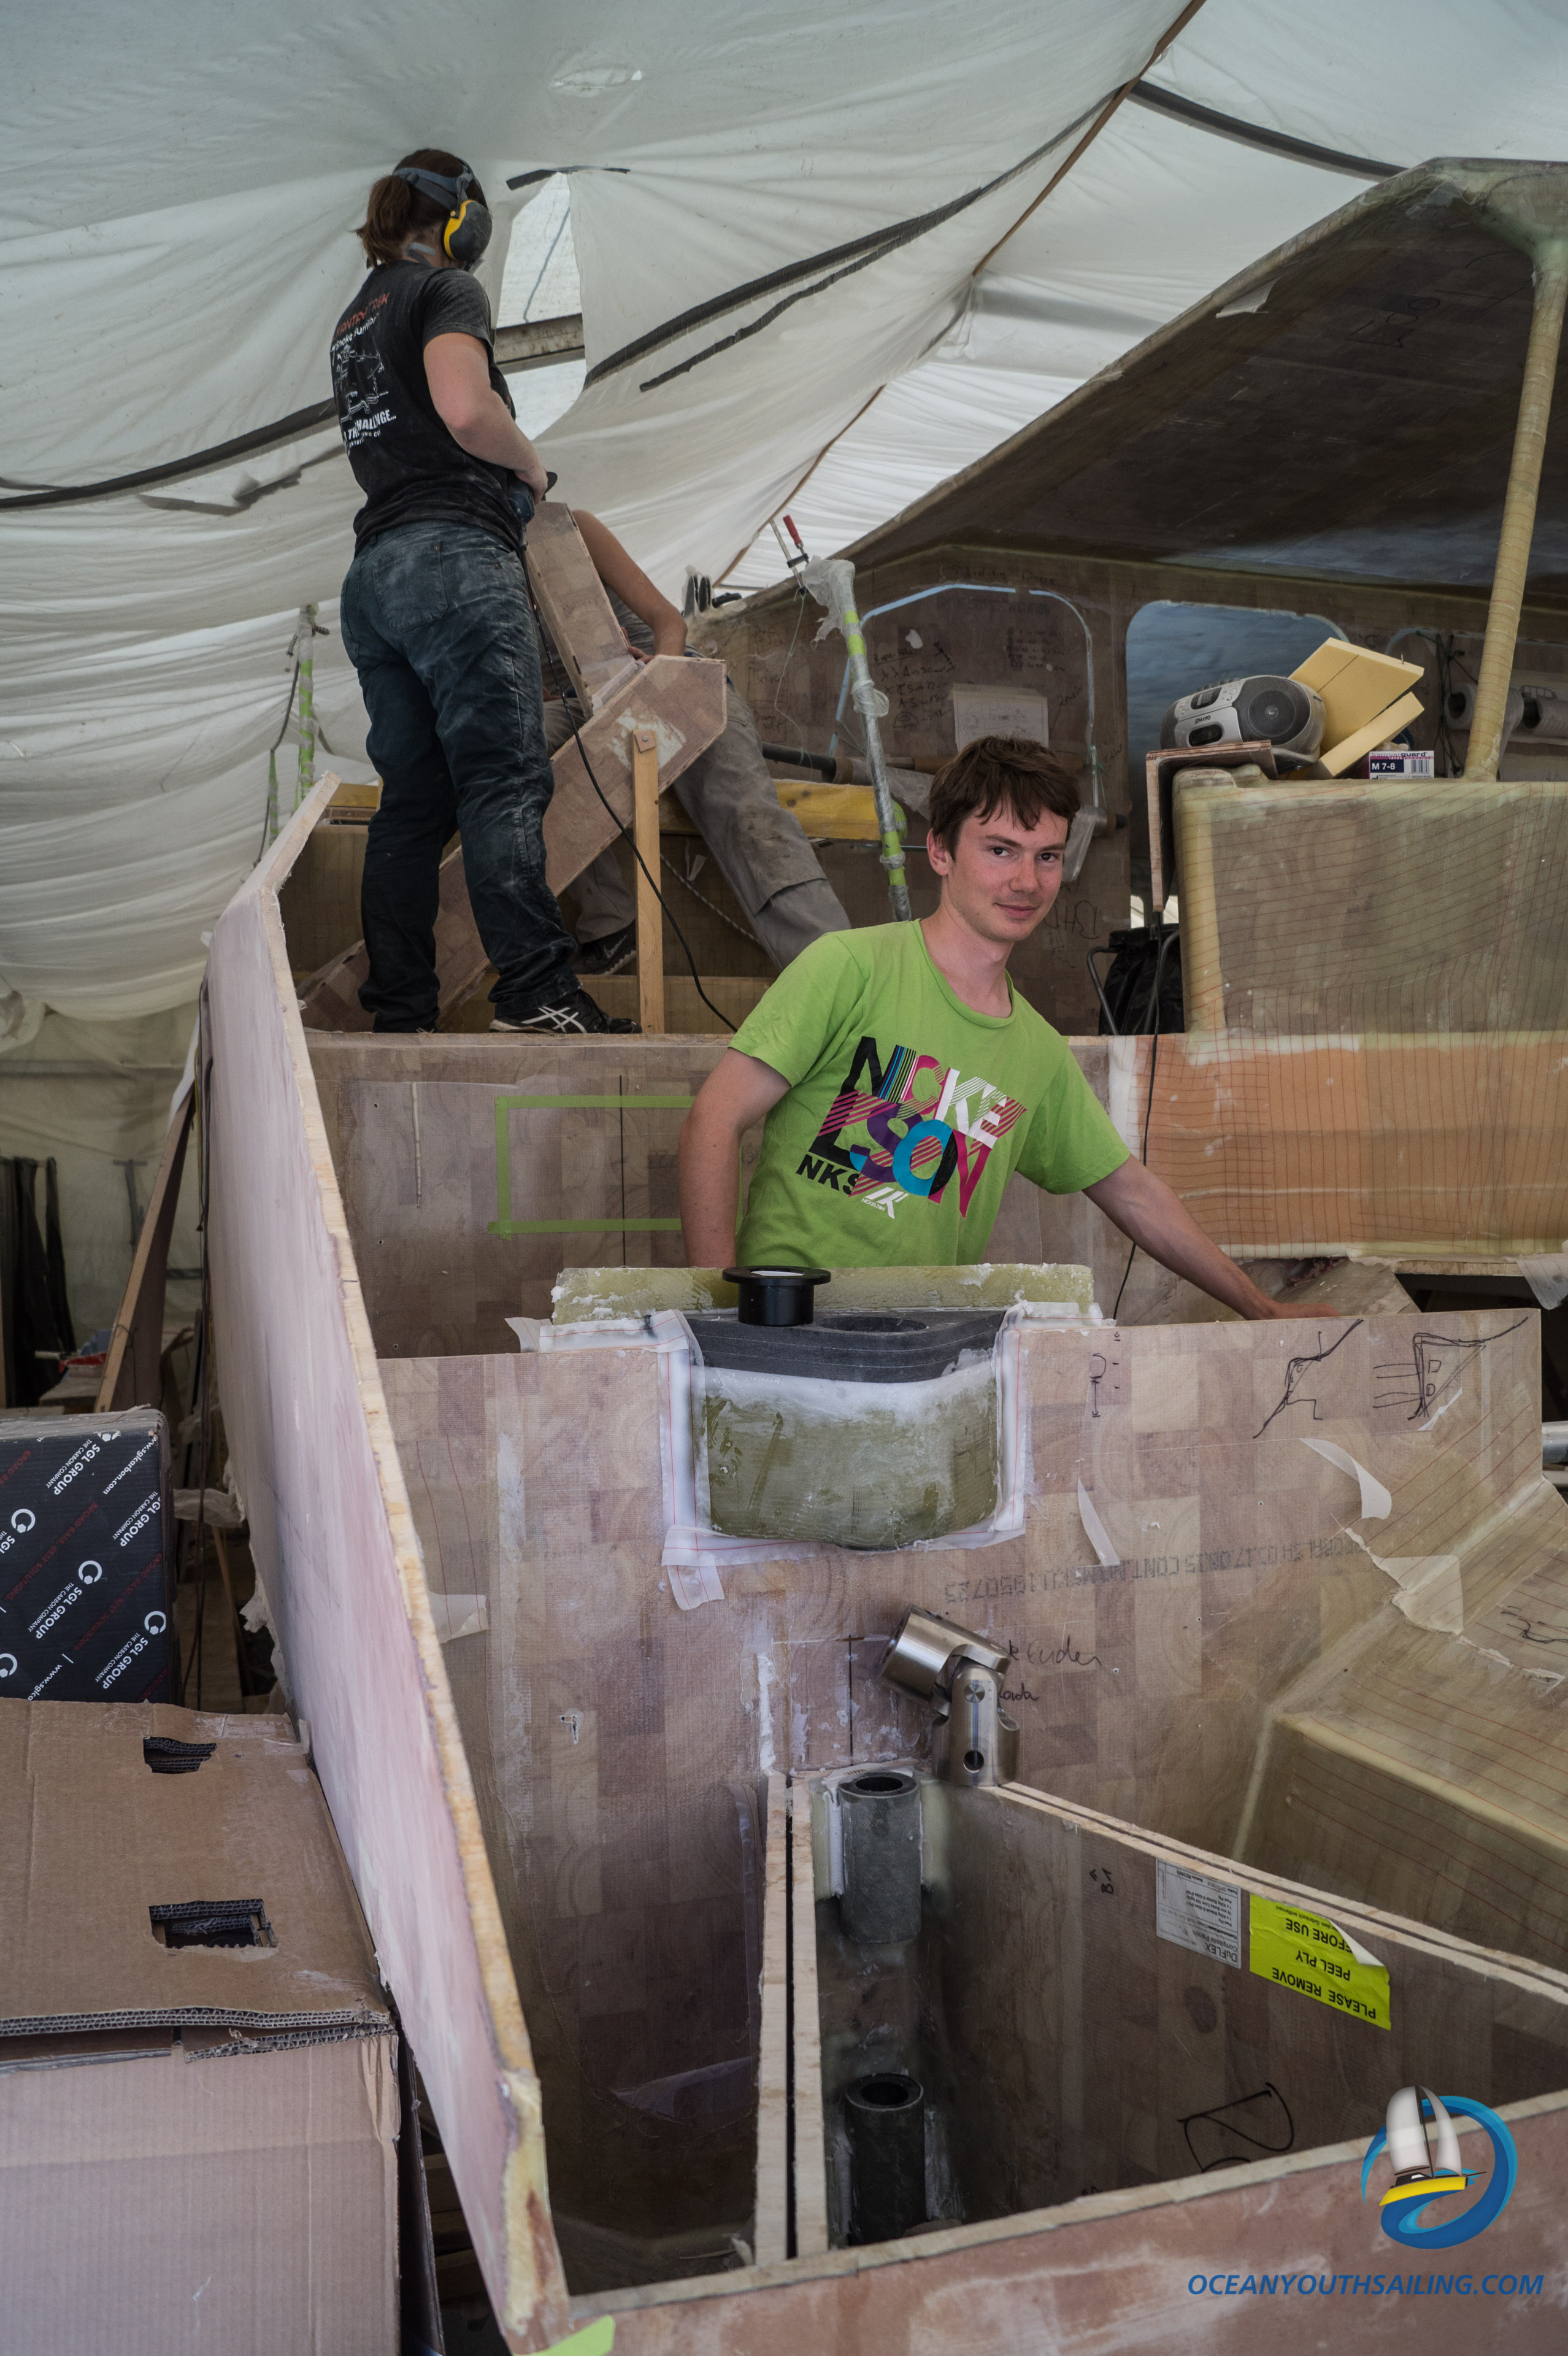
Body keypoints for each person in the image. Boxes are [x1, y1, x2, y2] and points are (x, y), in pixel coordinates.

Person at [678, 736, 1334, 1320]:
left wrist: (1261, 1308)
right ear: (941, 851)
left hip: (920, 1343)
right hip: (789, 1327)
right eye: (1000, 851)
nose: (1026, 881)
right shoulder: (848, 967)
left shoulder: (1036, 1052)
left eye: (1047, 857)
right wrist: (720, 1311)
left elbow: (1134, 1194)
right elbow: (713, 1119)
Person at [330, 150, 634, 1036]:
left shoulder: (355, 318)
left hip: (375, 574)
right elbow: (466, 410)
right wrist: (530, 467)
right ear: (460, 220)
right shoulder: (445, 290)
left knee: (412, 803)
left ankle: (401, 1010)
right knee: (502, 778)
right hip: (453, 556)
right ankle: (538, 994)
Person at [534, 507, 851, 975]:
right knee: (515, 745)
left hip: (668, 678)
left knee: (747, 815)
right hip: (583, 706)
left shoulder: (570, 528)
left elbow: (670, 622)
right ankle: (610, 924)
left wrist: (661, 677)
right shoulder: (473, 571)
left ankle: (831, 969)